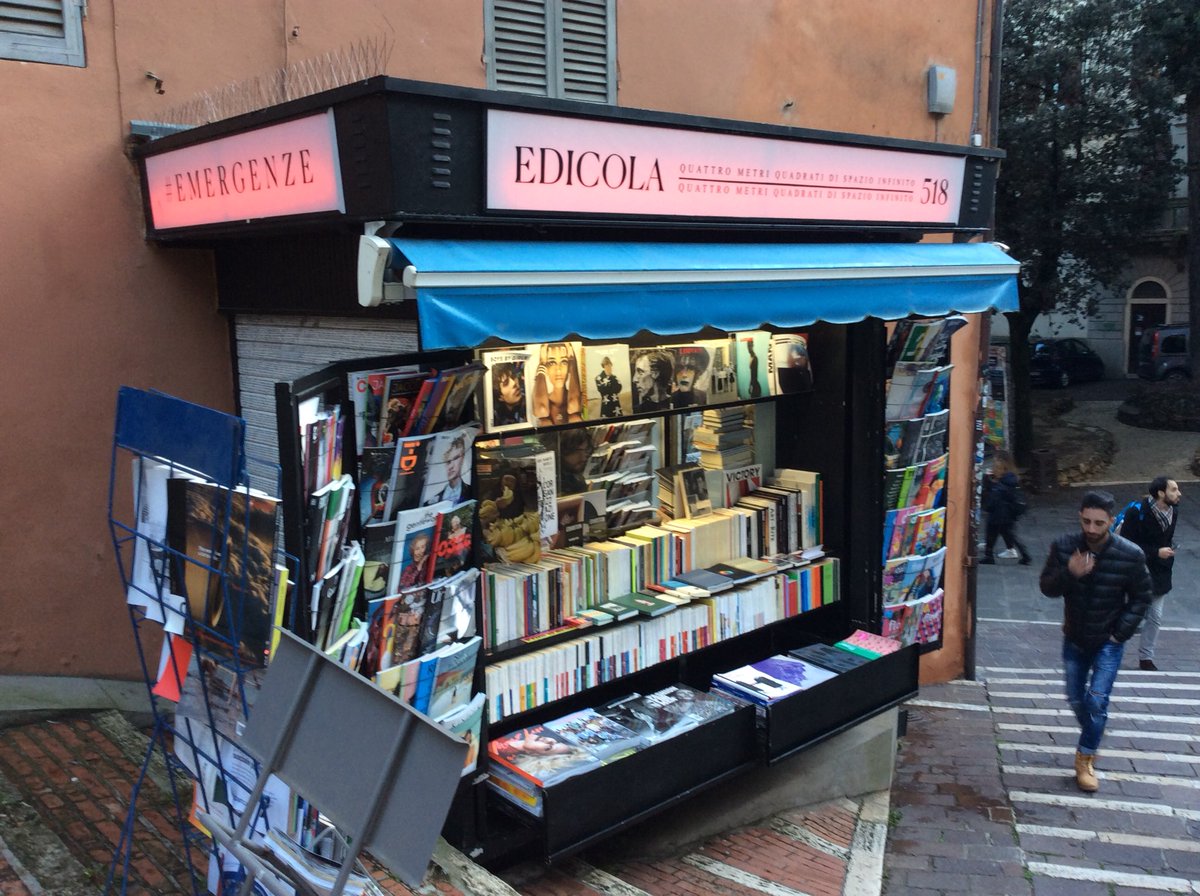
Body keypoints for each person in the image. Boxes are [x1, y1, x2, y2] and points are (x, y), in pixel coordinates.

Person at [1039, 489, 1153, 792]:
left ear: (1111, 521)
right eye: (1086, 521)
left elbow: (1142, 596)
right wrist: (1070, 573)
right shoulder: (1064, 547)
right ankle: (1095, 729)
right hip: (1075, 636)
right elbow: (1047, 587)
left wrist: (1121, 632)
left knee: (1097, 700)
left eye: (1098, 523)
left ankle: (1085, 758)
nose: (1091, 529)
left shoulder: (1130, 554)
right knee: (1077, 699)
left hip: (1109, 639)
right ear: (1080, 517)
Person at [1117, 476, 1181, 671]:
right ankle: (1110, 648)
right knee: (1130, 615)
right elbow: (1126, 545)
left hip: (1160, 572)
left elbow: (1166, 538)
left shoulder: (1173, 511)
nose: (1179, 494)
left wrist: (1169, 550)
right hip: (1136, 571)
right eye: (1174, 489)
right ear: (1161, 493)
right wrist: (1156, 552)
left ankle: (1146, 658)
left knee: (1155, 616)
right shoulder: (1136, 513)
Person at [980, 452, 1031, 564]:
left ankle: (989, 556)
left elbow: (995, 495)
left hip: (999, 512)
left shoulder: (1002, 482)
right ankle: (1025, 555)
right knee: (1009, 534)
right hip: (1007, 513)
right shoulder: (1011, 478)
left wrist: (990, 483)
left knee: (992, 534)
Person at [532, 342, 584, 426]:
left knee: (575, 416)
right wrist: (541, 364)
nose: (558, 370)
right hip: (550, 437)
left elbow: (574, 403)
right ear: (546, 368)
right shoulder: (540, 401)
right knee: (543, 420)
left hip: (576, 438)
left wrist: (572, 364)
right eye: (552, 363)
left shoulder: (576, 399)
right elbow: (541, 409)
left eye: (564, 362)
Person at [424, 434, 466, 505]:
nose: (451, 466)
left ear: (462, 458)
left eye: (455, 458)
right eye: (447, 462)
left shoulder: (473, 490)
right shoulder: (429, 502)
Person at [490, 361, 527, 427]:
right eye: (506, 383)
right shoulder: (496, 421)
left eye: (513, 377)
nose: (514, 383)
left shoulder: (528, 402)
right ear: (500, 397)